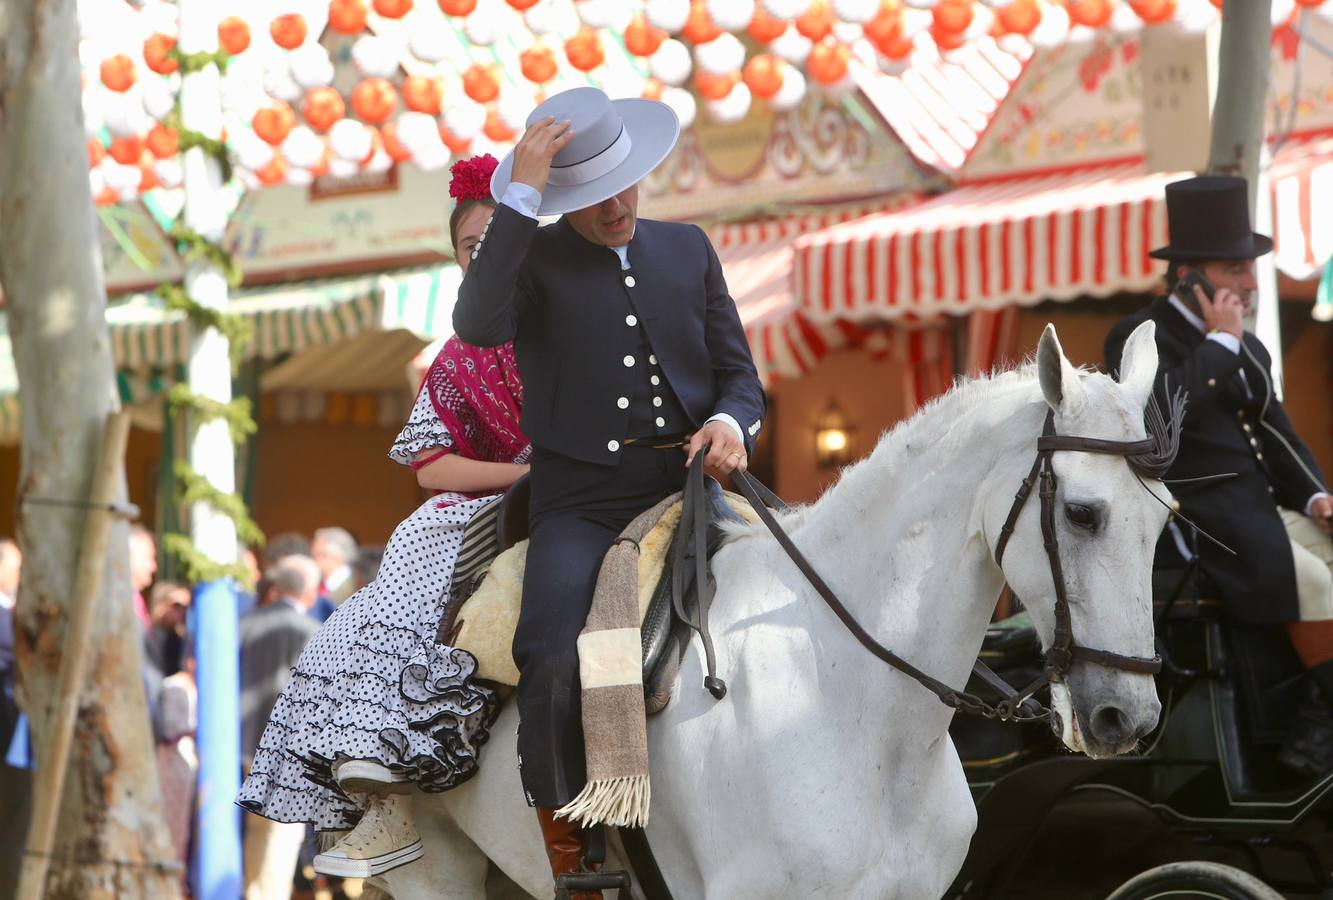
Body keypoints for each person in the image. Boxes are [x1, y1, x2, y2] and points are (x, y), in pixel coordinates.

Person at [452, 86, 765, 894]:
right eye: (592, 197)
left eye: (624, 184)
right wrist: (517, 196)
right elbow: (477, 323)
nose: (617, 205)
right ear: (562, 199)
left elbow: (739, 376)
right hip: (583, 502)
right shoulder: (531, 259)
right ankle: (572, 856)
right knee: (550, 652)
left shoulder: (688, 247)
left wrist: (732, 423)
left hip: (693, 483)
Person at [238, 153, 530, 880]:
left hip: (604, 486)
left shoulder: (578, 318)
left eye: (500, 238)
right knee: (408, 554)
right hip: (506, 500)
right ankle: (381, 783)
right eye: (471, 248)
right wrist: (525, 474)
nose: (485, 255)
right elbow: (430, 466)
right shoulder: (459, 354)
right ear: (460, 264)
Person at [1105, 175, 1333, 775]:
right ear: (1190, 276)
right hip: (1201, 519)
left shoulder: (1249, 349)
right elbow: (1155, 422)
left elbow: (1277, 432)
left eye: (1250, 268)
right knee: (1317, 584)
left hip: (1264, 511)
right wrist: (1221, 345)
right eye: (1235, 269)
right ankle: (1319, 722)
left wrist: (1314, 496)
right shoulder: (1136, 336)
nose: (1252, 283)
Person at [239, 554, 321, 900]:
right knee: (279, 837)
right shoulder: (312, 631)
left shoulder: (243, 623)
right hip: (285, 749)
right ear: (310, 593)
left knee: (253, 833)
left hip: (239, 744)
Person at [311, 527, 358, 607]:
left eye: (319, 554)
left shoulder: (358, 587)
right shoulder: (313, 587)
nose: (313, 560)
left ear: (338, 557)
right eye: (313, 555)